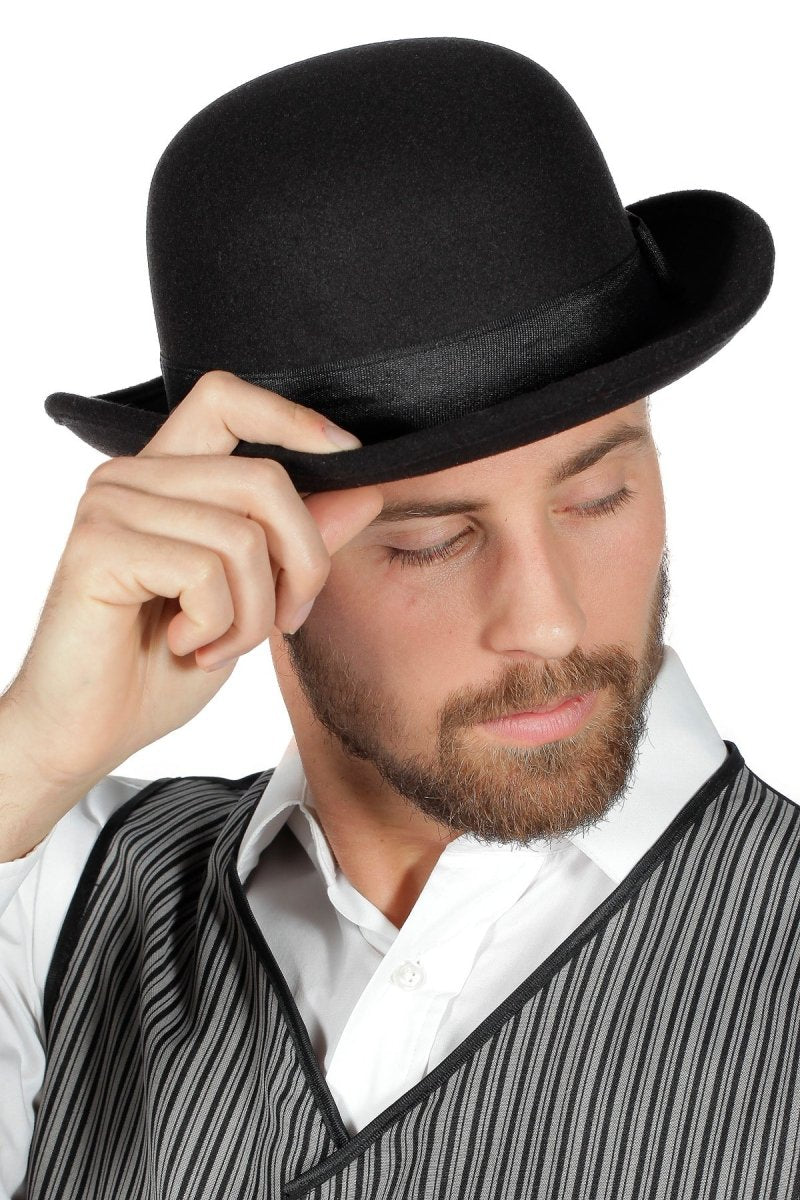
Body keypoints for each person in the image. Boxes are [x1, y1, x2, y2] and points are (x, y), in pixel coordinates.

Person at [1, 36, 797, 1200]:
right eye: (430, 539)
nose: (547, 622)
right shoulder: (56, 900)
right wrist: (29, 753)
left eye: (597, 495)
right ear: (246, 537)